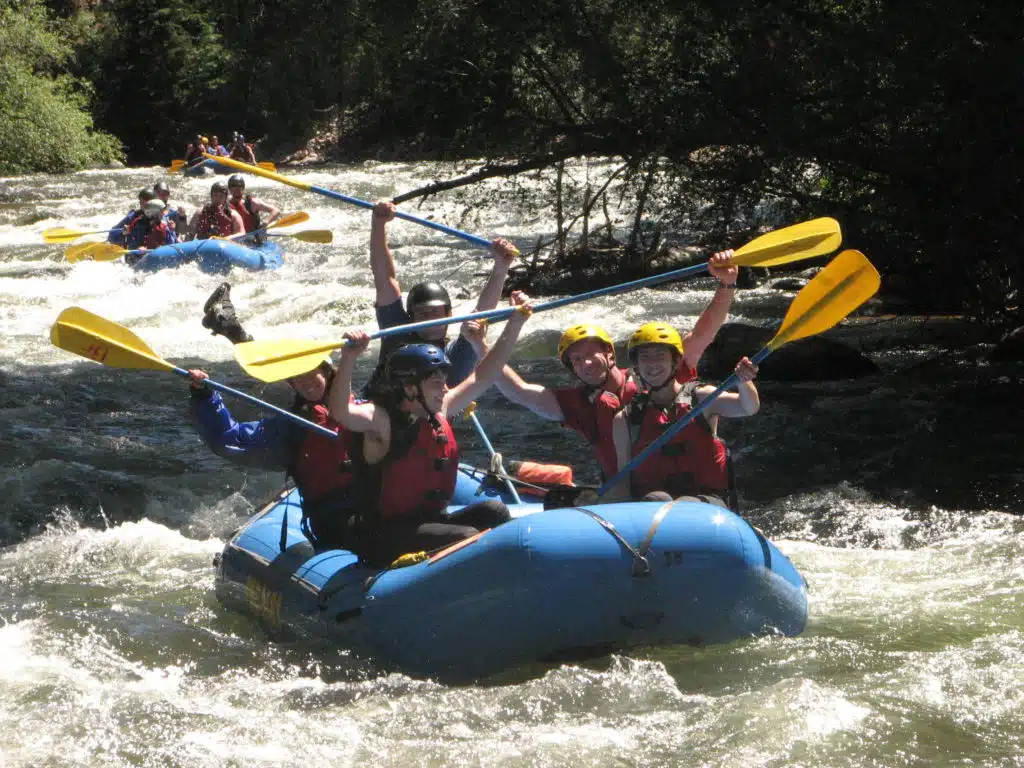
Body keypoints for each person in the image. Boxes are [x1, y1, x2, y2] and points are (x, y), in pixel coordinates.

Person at [327, 292, 535, 566]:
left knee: (493, 511)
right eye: (436, 382)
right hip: (382, 537)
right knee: (468, 536)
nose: (446, 388)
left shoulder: (439, 410)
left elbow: (486, 373)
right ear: (411, 387)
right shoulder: (381, 420)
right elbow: (340, 411)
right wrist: (349, 357)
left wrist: (516, 321)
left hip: (429, 523)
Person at [492, 251, 740, 480]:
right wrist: (480, 342)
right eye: (577, 360)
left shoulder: (654, 372)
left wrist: (726, 284)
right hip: (630, 501)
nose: (586, 363)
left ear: (610, 353)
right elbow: (518, 391)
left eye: (591, 353)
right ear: (572, 369)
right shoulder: (577, 404)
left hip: (688, 492)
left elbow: (700, 337)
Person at [186, 361, 364, 550]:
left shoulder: (364, 411)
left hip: (371, 506)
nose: (306, 383)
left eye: (312, 374)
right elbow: (231, 439)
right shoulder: (292, 427)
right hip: (334, 517)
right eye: (298, 378)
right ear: (292, 384)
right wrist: (204, 395)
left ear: (328, 374)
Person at [365, 200, 518, 396]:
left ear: (449, 314)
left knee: (472, 336)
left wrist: (501, 268)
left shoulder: (457, 353)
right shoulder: (396, 330)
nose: (429, 319)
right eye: (422, 313)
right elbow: (385, 279)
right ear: (411, 317)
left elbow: (482, 313)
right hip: (381, 416)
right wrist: (378, 224)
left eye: (435, 312)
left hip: (433, 416)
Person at [606, 322, 760, 506]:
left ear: (676, 361)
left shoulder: (701, 398)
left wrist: (744, 381)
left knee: (686, 504)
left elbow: (747, 407)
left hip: (707, 503)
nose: (653, 363)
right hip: (654, 508)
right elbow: (623, 480)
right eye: (645, 357)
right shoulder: (625, 418)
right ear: (637, 366)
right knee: (656, 499)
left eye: (660, 355)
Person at [107, 188, 177, 251]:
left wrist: (172, 230)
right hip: (136, 256)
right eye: (141, 202)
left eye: (145, 202)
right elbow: (111, 237)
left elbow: (172, 242)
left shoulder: (162, 218)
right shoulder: (133, 218)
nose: (142, 205)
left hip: (155, 254)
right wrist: (122, 234)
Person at [226, 174, 280, 244]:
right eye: (234, 187)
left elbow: (276, 210)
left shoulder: (252, 203)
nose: (237, 190)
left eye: (239, 187)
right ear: (230, 189)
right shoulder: (225, 204)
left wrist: (266, 222)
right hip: (235, 241)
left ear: (243, 188)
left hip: (253, 241)